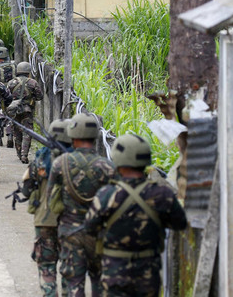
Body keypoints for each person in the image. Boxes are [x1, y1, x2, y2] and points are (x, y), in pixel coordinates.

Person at [83, 134, 187, 297]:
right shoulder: (162, 194)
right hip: (147, 274)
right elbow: (180, 223)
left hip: (114, 273)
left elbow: (89, 227)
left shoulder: (107, 194)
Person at [47, 113, 116, 297]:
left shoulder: (60, 164)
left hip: (70, 233)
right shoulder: (108, 167)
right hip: (100, 234)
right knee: (100, 282)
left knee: (74, 283)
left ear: (73, 135)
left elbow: (51, 202)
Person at [27, 119, 73, 297]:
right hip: (71, 221)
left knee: (46, 266)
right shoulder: (75, 160)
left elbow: (26, 187)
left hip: (44, 220)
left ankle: (49, 293)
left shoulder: (40, 156)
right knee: (70, 267)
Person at [7, 61, 44, 163]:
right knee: (27, 132)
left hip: (14, 110)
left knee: (17, 132)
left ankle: (19, 153)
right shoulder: (33, 82)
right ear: (28, 72)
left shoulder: (11, 83)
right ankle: (24, 154)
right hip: (27, 110)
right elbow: (40, 96)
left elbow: (6, 97)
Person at [0, 46, 16, 147]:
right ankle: (10, 136)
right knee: (10, 115)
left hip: (0, 95)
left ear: (0, 56)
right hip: (13, 94)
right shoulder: (14, 66)